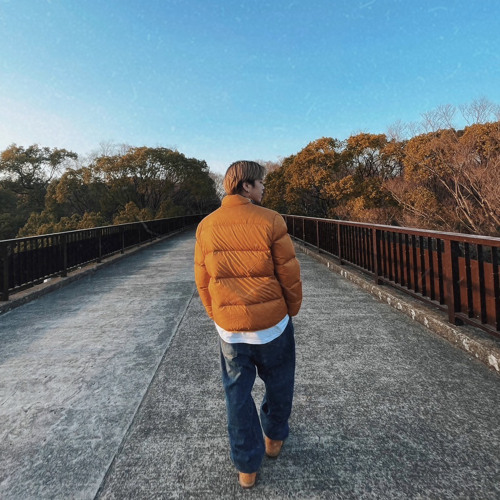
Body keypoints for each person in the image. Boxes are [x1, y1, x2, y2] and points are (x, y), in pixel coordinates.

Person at [194, 160, 302, 489]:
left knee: (238, 396)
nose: (263, 188)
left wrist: (217, 315)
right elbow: (289, 272)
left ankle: (246, 468)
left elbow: (203, 280)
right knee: (279, 383)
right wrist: (290, 309)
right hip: (272, 326)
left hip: (231, 330)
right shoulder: (271, 219)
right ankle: (274, 438)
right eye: (260, 182)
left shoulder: (206, 226)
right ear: (246, 186)